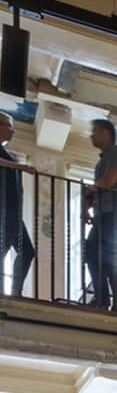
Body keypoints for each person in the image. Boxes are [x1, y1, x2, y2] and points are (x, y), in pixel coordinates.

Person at [83, 118, 117, 313]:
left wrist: (91, 189)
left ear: (106, 132)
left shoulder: (116, 152)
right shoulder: (102, 160)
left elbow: (109, 180)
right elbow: (100, 186)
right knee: (94, 254)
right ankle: (103, 298)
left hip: (115, 212)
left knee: (107, 256)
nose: (91, 135)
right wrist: (87, 206)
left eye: (95, 130)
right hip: (105, 213)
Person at [0, 115, 35, 298]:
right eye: (10, 126)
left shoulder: (7, 153)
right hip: (3, 211)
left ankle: (15, 291)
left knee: (27, 251)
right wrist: (19, 167)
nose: (13, 131)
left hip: (13, 212)